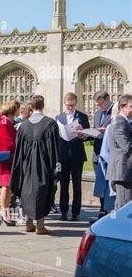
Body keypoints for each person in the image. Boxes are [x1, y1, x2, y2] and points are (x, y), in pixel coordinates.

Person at [10, 95, 61, 235]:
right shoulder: (50, 124)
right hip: (44, 164)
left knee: (27, 190)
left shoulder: (23, 126)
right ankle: (40, 226)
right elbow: (54, 149)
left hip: (26, 164)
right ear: (43, 106)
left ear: (31, 107)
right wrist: (56, 168)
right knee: (42, 190)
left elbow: (19, 149)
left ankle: (29, 223)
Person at [56, 92, 90, 221]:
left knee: (77, 184)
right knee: (63, 184)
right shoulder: (58, 117)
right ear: (65, 104)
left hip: (77, 154)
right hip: (63, 155)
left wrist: (83, 134)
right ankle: (63, 211)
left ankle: (76, 212)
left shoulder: (82, 116)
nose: (70, 107)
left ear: (76, 103)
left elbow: (87, 135)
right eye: (68, 105)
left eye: (72, 105)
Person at [106, 94, 132, 211]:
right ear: (122, 107)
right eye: (131, 106)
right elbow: (127, 147)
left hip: (125, 173)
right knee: (123, 207)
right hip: (123, 172)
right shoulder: (120, 123)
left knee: (121, 207)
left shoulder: (124, 122)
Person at [91, 91, 114, 220]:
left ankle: (108, 212)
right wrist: (85, 134)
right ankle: (102, 211)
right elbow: (96, 131)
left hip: (109, 155)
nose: (99, 108)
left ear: (107, 99)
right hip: (97, 153)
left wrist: (107, 132)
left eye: (101, 105)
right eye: (97, 105)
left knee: (110, 185)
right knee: (100, 184)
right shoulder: (98, 113)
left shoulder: (115, 112)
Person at [0, 102, 18, 226]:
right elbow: (8, 142)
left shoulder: (5, 122)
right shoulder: (4, 123)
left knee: (8, 188)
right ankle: (4, 214)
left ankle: (6, 213)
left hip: (8, 159)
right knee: (5, 187)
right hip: (7, 159)